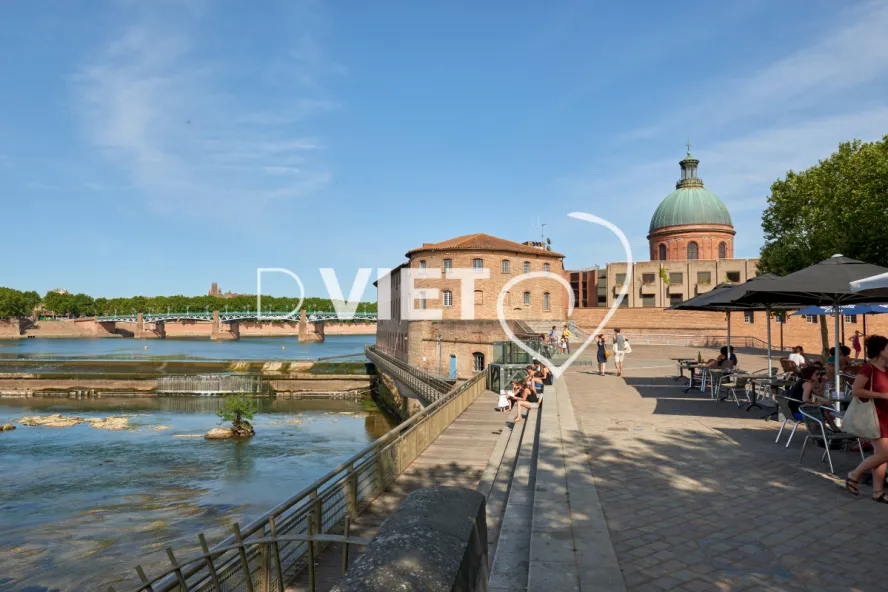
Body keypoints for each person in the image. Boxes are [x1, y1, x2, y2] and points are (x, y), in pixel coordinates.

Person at [846, 335, 888, 503]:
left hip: (886, 416)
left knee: (882, 455)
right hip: (874, 417)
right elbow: (856, 391)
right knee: (884, 454)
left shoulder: (886, 370)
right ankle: (854, 474)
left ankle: (877, 492)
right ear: (880, 351)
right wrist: (881, 395)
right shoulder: (868, 369)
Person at [788, 366, 840, 431]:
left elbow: (819, 393)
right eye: (817, 374)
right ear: (809, 374)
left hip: (793, 410)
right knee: (824, 410)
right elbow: (805, 399)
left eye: (819, 374)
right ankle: (832, 430)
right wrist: (817, 403)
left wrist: (824, 382)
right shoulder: (807, 384)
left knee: (824, 408)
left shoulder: (804, 382)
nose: (819, 376)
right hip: (799, 411)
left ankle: (827, 430)